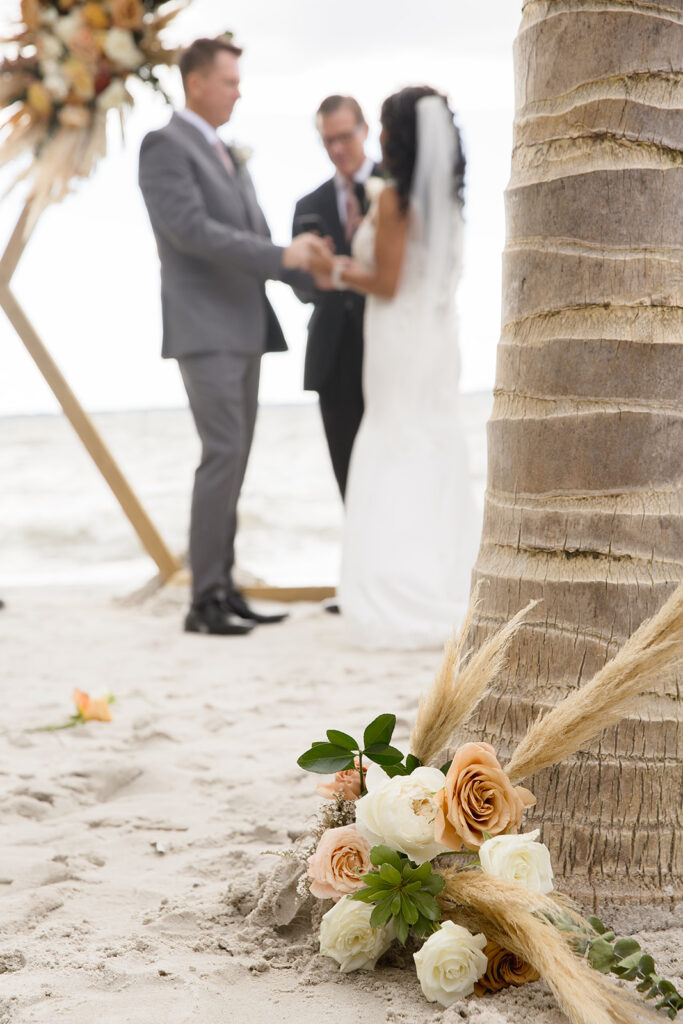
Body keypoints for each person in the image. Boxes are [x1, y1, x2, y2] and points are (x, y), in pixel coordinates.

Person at [139, 36, 324, 636]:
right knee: (221, 455)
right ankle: (203, 601)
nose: (238, 90)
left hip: (245, 324)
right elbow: (193, 231)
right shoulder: (164, 146)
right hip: (205, 327)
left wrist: (301, 266)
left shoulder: (224, 150)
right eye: (229, 81)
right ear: (196, 83)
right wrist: (279, 254)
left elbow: (252, 228)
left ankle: (224, 585)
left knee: (236, 457)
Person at [309, 87, 480, 649]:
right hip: (432, 338)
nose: (379, 137)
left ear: (396, 135)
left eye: (383, 126)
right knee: (427, 440)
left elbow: (385, 280)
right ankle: (441, 573)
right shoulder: (448, 201)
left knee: (392, 439)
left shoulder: (395, 200)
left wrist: (330, 267)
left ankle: (395, 582)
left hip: (396, 337)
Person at [292, 96, 381, 501]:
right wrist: (313, 273)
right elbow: (300, 289)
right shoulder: (308, 206)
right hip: (332, 359)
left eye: (345, 136)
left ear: (364, 129)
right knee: (350, 482)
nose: (338, 149)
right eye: (328, 141)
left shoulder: (394, 186)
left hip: (386, 346)